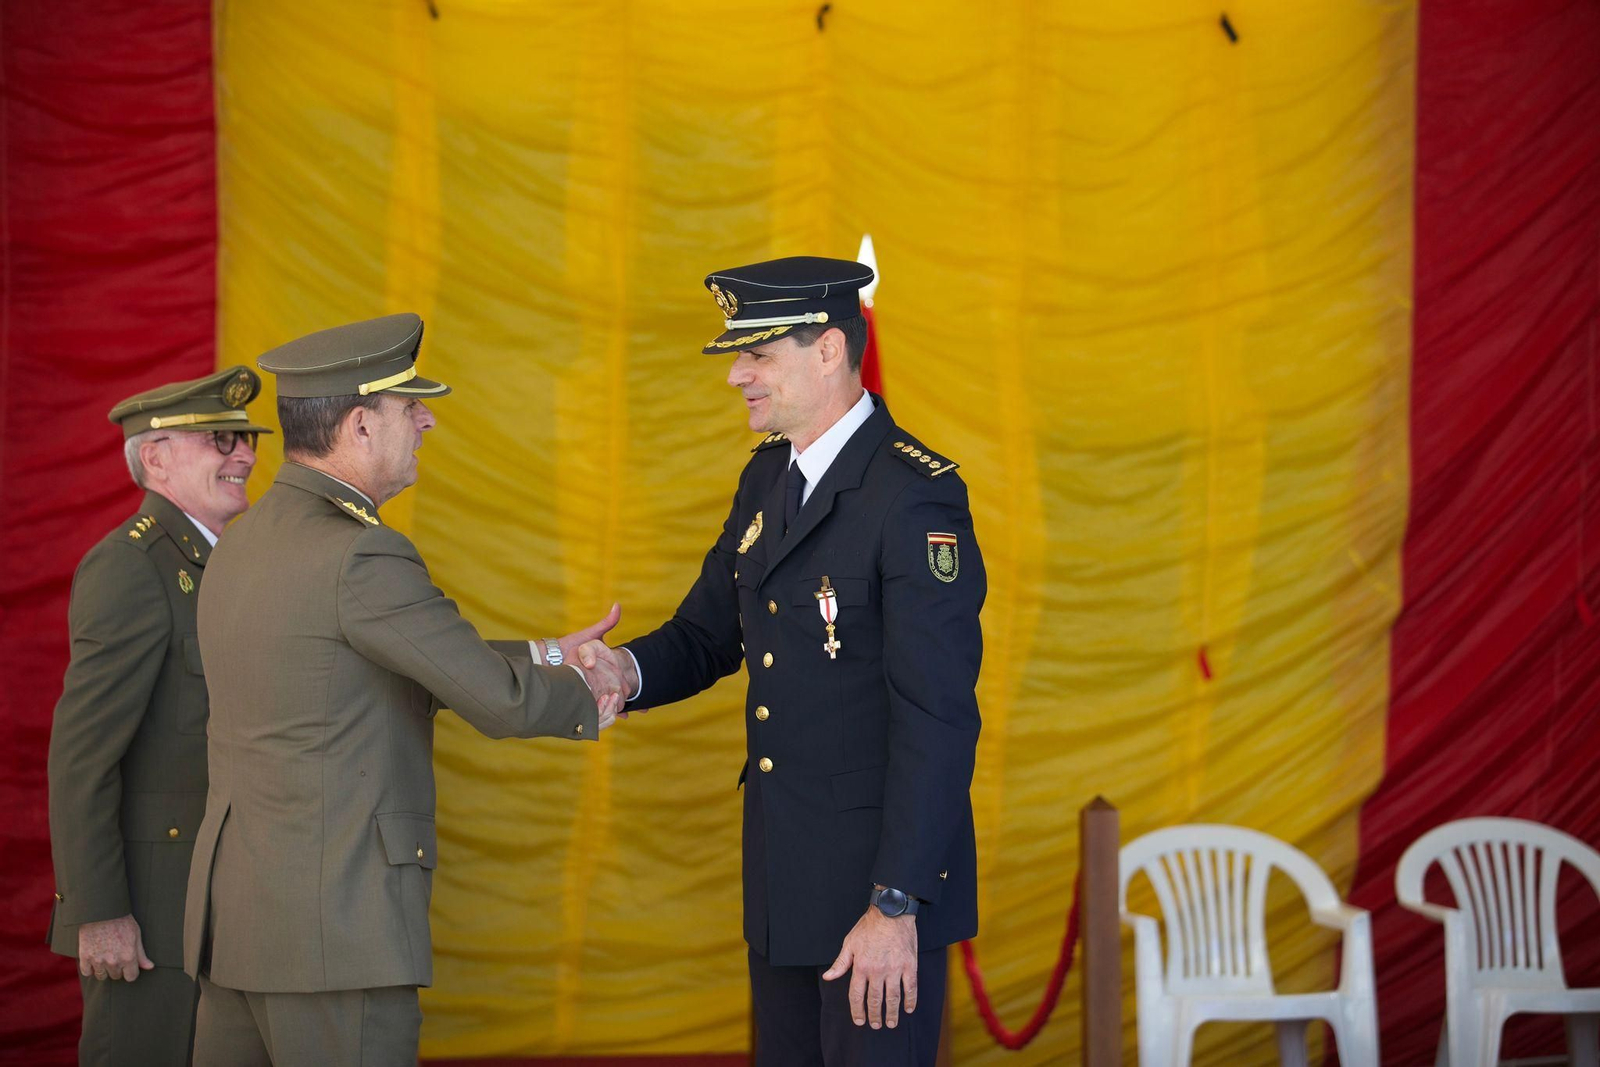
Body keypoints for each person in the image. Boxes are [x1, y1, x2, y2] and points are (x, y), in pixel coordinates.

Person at [180, 313, 628, 1066]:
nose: (424, 419)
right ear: (359, 423)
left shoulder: (243, 540)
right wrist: (597, 690)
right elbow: (494, 695)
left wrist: (554, 649)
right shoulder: (362, 554)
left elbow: (396, 654)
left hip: (242, 928)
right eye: (406, 405)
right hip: (337, 936)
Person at [583, 257, 986, 1067]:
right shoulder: (769, 474)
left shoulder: (914, 495)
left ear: (831, 351)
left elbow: (937, 717)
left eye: (758, 355)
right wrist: (623, 672)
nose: (737, 375)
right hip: (784, 884)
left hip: (877, 896)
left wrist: (896, 903)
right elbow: (707, 632)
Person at [47, 366, 274, 1066]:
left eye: (247, 439)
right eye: (222, 439)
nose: (244, 455)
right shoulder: (130, 567)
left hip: (229, 905)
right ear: (157, 456)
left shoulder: (232, 565)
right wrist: (99, 909)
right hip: (152, 918)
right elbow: (83, 755)